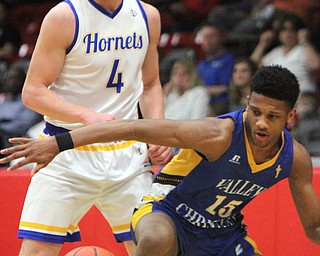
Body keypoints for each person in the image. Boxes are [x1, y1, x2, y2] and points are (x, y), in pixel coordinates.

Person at [2, 65, 320, 255]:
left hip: (223, 232)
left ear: (291, 116)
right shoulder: (218, 133)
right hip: (166, 211)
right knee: (155, 239)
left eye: (273, 116)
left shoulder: (295, 158)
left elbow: (314, 226)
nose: (262, 123)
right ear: (247, 102)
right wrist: (59, 144)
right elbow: (133, 127)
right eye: (256, 112)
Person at [2, 0, 172, 255]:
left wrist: (156, 130)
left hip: (128, 154)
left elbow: (150, 85)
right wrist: (86, 116)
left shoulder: (148, 16)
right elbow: (33, 92)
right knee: (36, 251)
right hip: (66, 149)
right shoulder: (64, 17)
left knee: (154, 246)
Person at [250, 13, 320, 93]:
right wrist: (262, 44)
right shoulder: (275, 52)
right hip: (279, 100)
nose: (288, 34)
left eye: (292, 30)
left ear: (299, 32)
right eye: (284, 29)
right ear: (279, 34)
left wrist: (304, 41)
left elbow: (315, 65)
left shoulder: (304, 49)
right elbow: (252, 65)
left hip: (303, 100)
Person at [0, 65, 42, 166]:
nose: (12, 82)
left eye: (16, 78)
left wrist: (2, 127)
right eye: (10, 79)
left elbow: (24, 124)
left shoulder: (29, 100)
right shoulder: (4, 100)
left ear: (24, 80)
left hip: (16, 136)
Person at [196, 21, 235, 116]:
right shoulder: (201, 63)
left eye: (212, 36)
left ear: (221, 37)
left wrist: (201, 90)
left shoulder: (229, 60)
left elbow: (226, 88)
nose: (208, 41)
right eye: (205, 37)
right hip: (200, 101)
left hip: (221, 104)